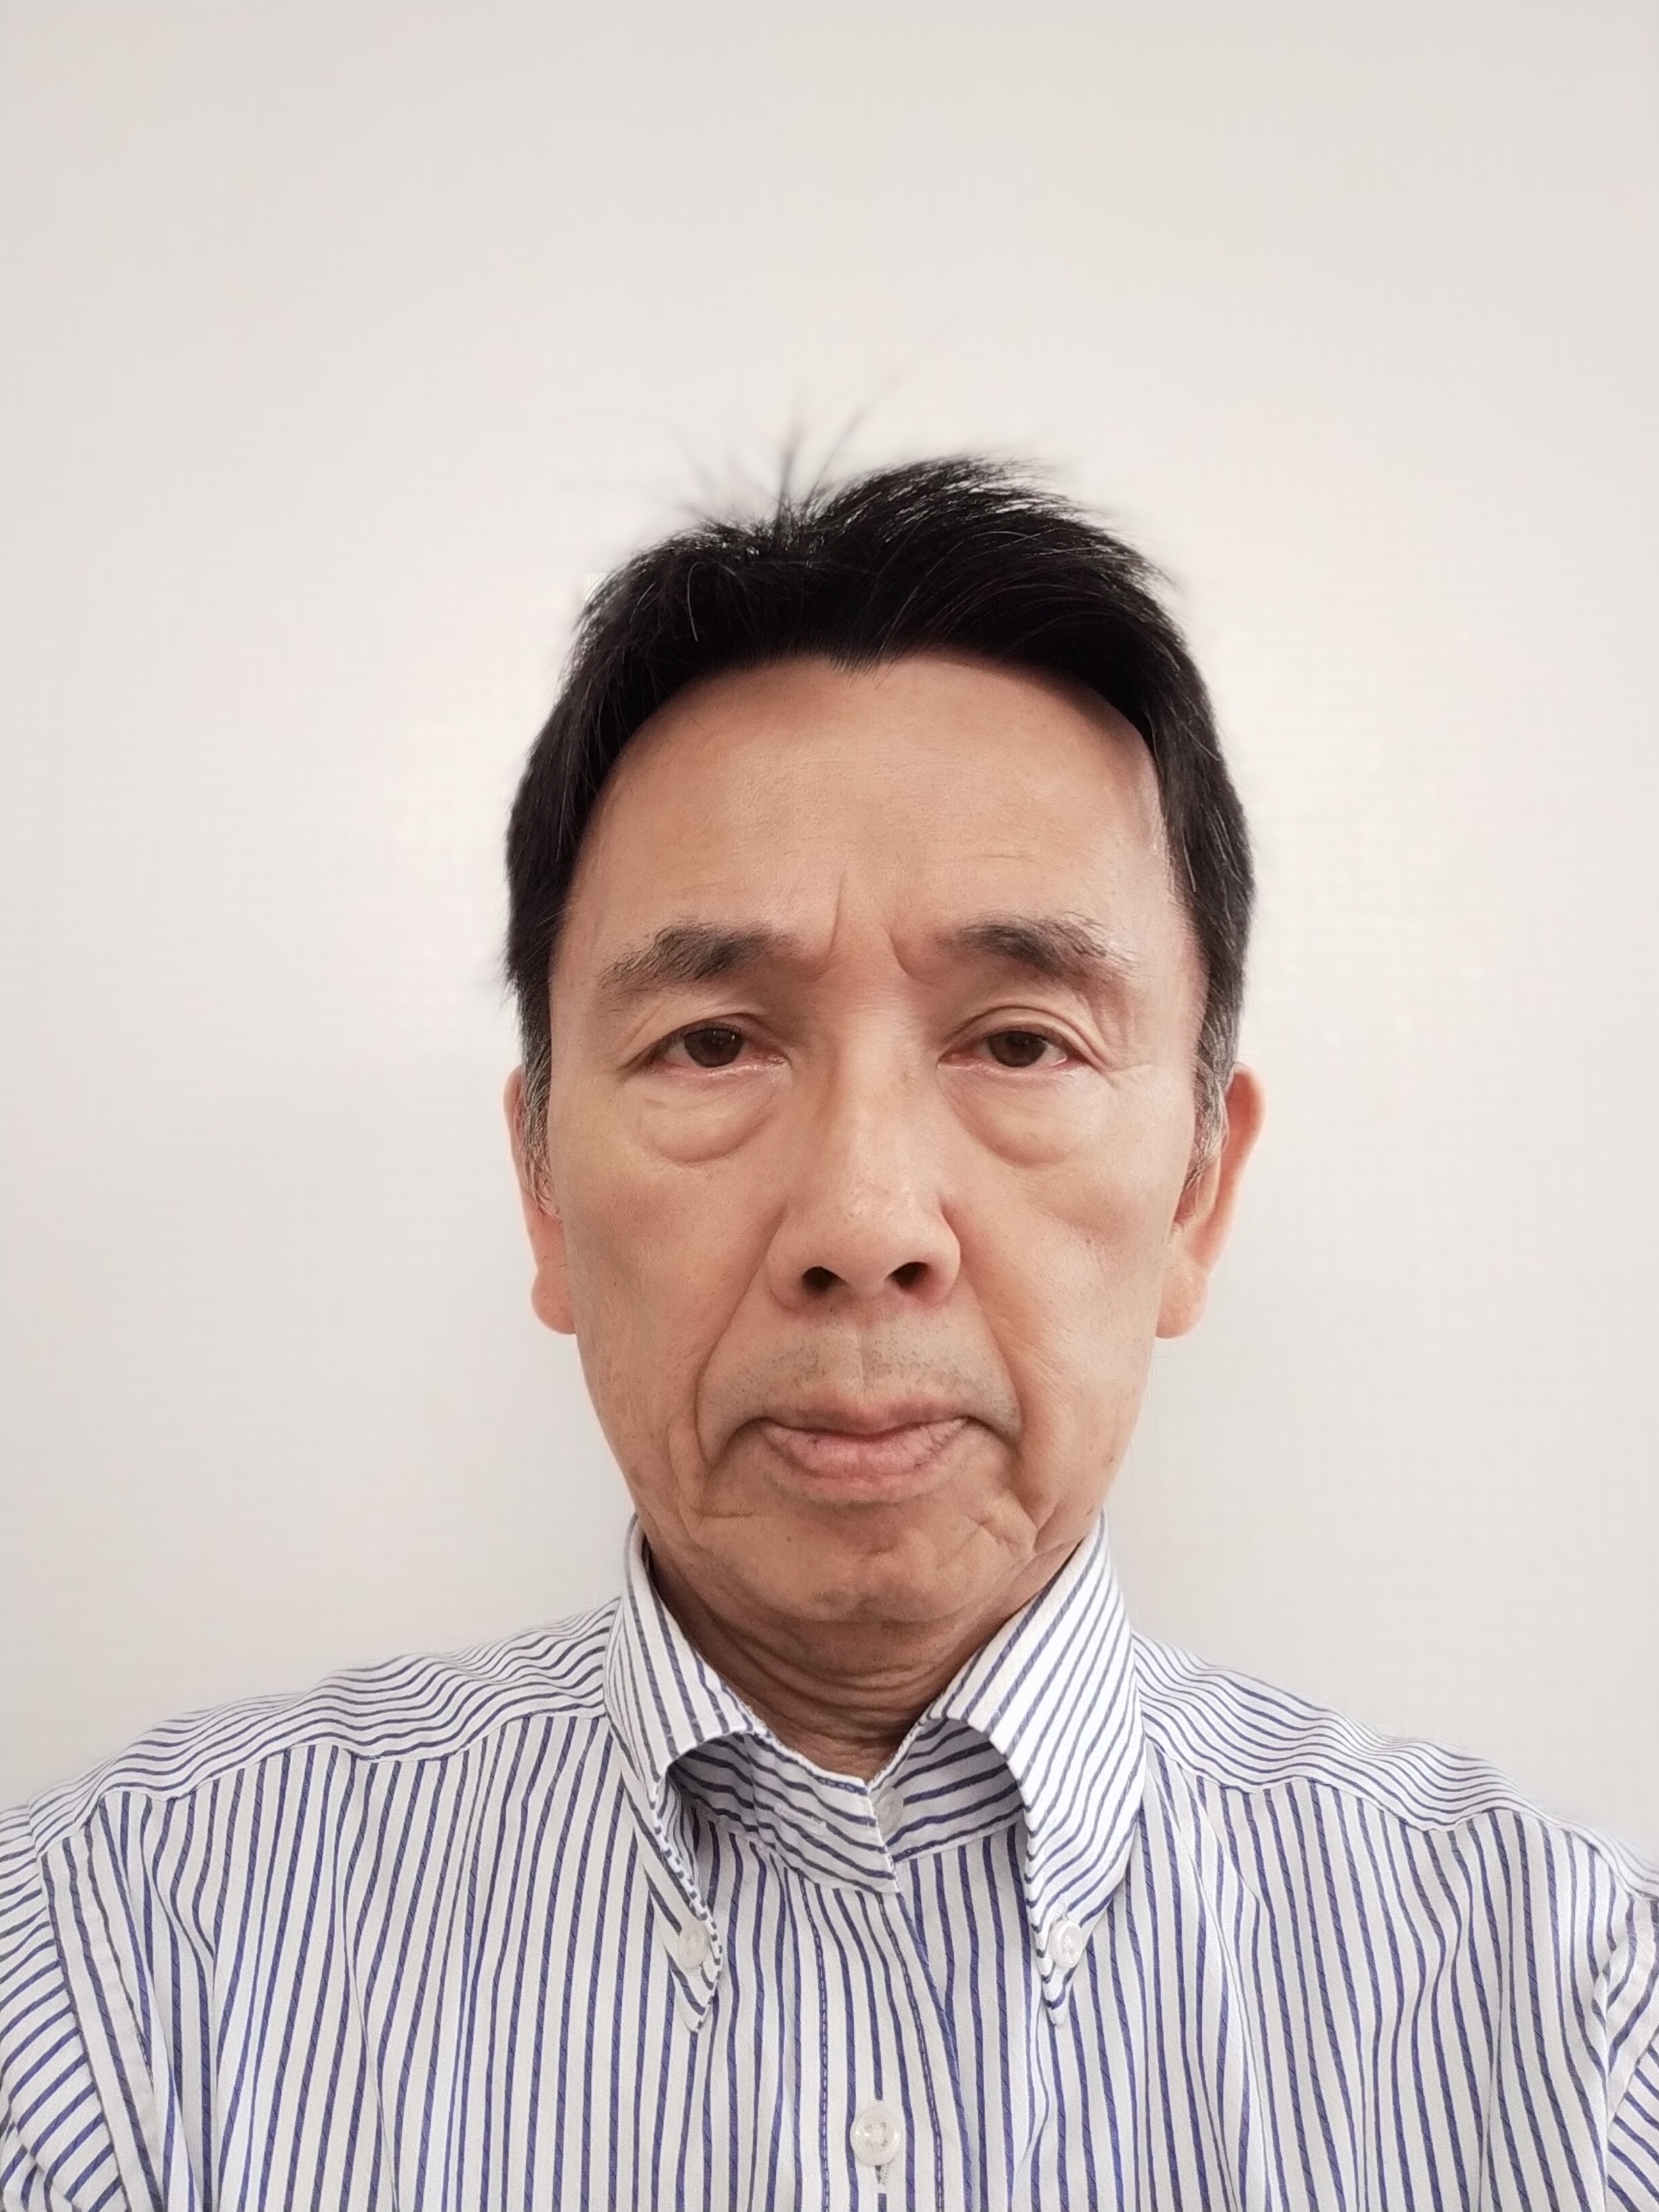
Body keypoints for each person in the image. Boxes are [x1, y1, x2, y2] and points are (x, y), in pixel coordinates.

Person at [2, 459, 1655, 2212]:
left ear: (1196, 1193)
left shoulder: (1571, 2026)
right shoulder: (114, 1982)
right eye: (714, 1044)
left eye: (1019, 1043)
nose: (865, 1226)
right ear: (543, 1187)